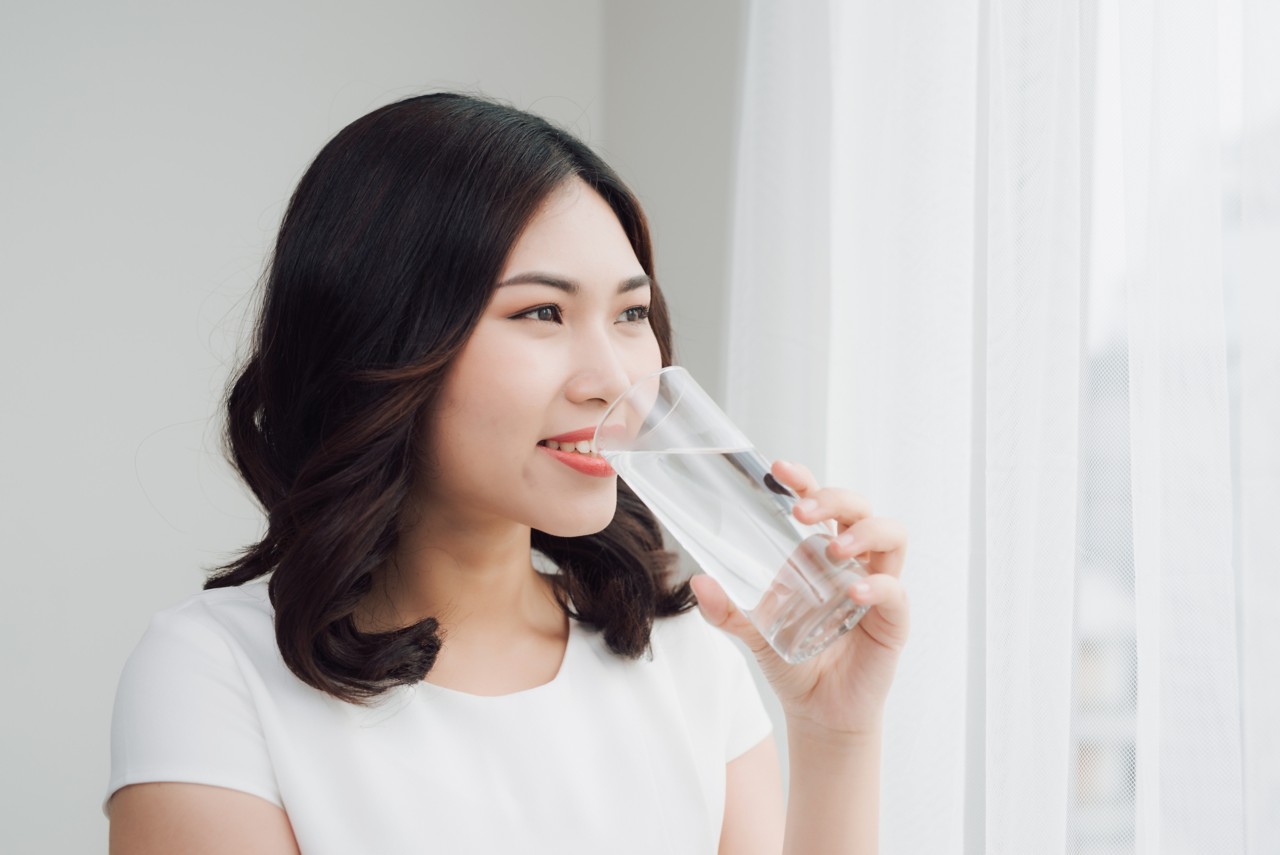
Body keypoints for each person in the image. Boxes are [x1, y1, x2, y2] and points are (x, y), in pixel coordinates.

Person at [104, 92, 909, 855]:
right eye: (540, 313)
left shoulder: (687, 659)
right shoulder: (217, 675)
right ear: (385, 340)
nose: (611, 379)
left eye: (631, 314)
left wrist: (836, 734)